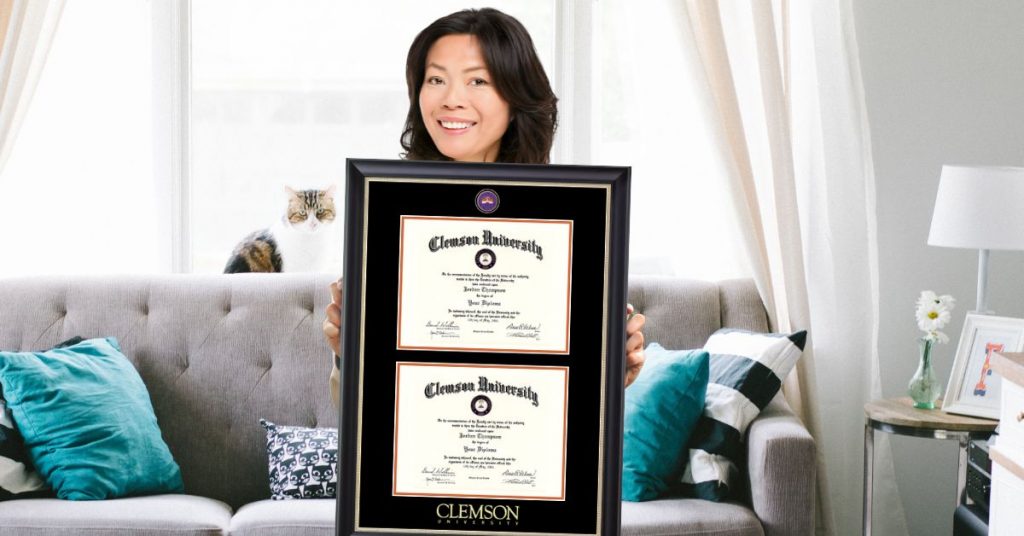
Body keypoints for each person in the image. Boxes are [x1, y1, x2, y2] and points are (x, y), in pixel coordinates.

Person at [322, 8, 645, 406]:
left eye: (477, 81)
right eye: (436, 79)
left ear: (516, 96)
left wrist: (608, 374)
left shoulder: (568, 228)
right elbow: (363, 418)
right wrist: (347, 352)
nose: (451, 99)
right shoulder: (390, 223)